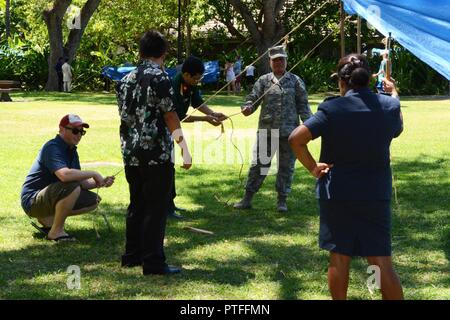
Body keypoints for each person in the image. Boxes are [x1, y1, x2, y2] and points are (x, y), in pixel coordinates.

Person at [288, 54, 404, 300]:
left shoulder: (332, 108)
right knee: (381, 262)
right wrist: (394, 93)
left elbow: (296, 139)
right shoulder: (389, 106)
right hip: (375, 194)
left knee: (339, 257)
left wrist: (312, 167)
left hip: (337, 193)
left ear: (342, 82)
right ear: (371, 78)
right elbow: (397, 126)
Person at [116, 30, 192, 275]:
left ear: (141, 52)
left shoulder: (125, 79)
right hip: (156, 152)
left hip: (131, 152)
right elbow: (170, 115)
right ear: (163, 53)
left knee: (137, 204)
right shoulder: (161, 78)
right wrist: (184, 149)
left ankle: (132, 254)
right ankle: (153, 262)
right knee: (156, 208)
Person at [234, 45, 312, 212]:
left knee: (286, 167)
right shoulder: (263, 81)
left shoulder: (296, 81)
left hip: (290, 133)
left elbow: (303, 106)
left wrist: (310, 127)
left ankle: (282, 201)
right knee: (259, 165)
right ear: (270, 62)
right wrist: (247, 107)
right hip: (267, 132)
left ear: (286, 61)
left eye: (281, 59)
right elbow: (252, 99)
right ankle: (247, 199)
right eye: (275, 60)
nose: (278, 62)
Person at [20, 114, 115, 241]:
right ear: (61, 129)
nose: (79, 135)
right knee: (71, 187)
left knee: (93, 200)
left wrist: (101, 182)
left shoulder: (72, 150)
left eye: (82, 132)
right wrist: (94, 173)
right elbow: (64, 175)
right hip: (32, 201)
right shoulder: (52, 147)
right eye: (75, 131)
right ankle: (56, 232)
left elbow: (81, 183)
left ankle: (48, 219)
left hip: (50, 196)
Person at [169, 55, 227, 219]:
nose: (197, 81)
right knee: (166, 168)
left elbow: (197, 102)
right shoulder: (175, 86)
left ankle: (170, 204)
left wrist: (212, 113)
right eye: (195, 78)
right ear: (186, 74)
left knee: (169, 167)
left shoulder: (189, 84)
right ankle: (166, 208)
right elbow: (178, 117)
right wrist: (206, 119)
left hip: (172, 126)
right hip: (163, 129)